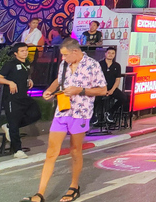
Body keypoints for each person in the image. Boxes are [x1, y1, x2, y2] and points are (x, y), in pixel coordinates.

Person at [20, 38, 107, 202]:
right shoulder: (64, 64)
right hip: (62, 111)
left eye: (65, 55)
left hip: (81, 113)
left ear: (75, 51)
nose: (63, 59)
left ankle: (74, 186)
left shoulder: (93, 65)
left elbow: (103, 90)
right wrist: (49, 90)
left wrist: (80, 90)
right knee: (51, 152)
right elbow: (59, 80)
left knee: (75, 150)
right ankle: (40, 193)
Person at [0, 42, 41, 158]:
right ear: (16, 53)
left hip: (23, 97)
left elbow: (23, 76)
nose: (25, 52)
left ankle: (9, 127)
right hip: (12, 98)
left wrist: (29, 80)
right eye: (22, 51)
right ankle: (18, 150)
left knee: (35, 114)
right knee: (14, 122)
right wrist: (9, 82)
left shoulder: (26, 64)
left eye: (26, 50)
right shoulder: (10, 64)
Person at [93, 47, 126, 126]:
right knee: (95, 99)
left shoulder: (117, 66)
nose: (111, 55)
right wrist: (101, 89)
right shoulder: (99, 64)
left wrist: (112, 90)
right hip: (100, 88)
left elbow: (117, 80)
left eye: (113, 53)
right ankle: (93, 116)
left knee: (123, 98)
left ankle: (110, 112)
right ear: (105, 54)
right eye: (109, 53)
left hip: (112, 87)